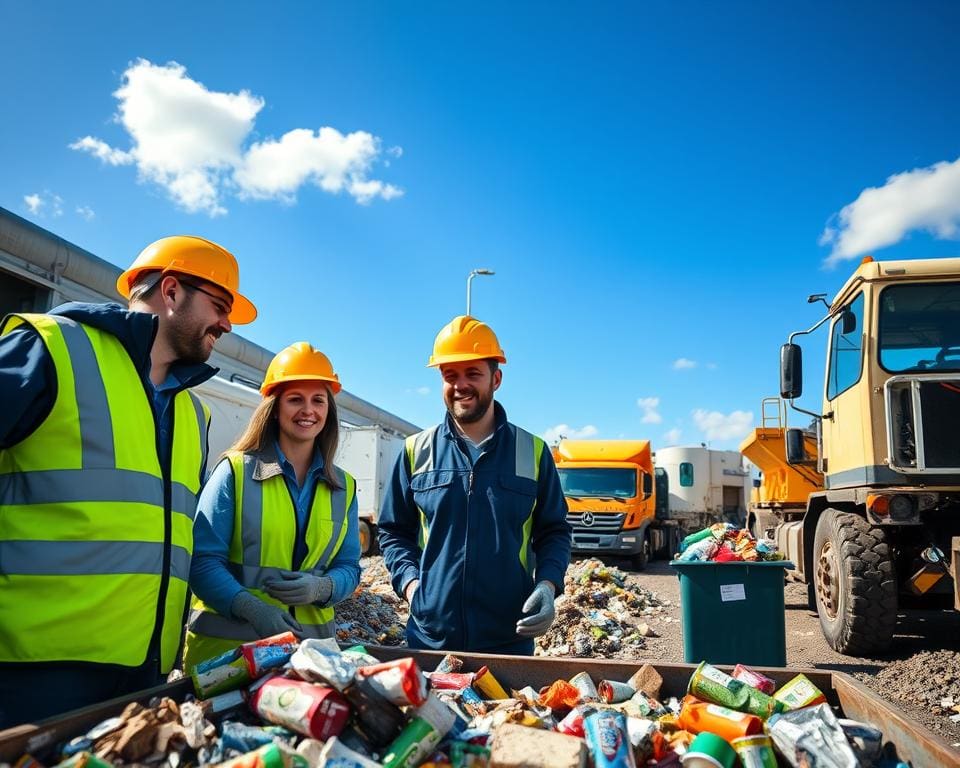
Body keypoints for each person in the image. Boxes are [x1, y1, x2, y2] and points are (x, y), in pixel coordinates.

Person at [0, 235, 256, 726]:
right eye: (220, 306)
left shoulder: (192, 413)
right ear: (173, 291)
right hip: (36, 671)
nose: (226, 324)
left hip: (145, 669)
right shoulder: (50, 347)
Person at [378, 315, 571, 655]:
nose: (460, 385)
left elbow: (554, 530)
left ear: (496, 379)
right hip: (429, 640)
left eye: (473, 374)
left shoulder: (533, 452)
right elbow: (393, 531)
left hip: (509, 640)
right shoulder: (414, 451)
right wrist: (412, 586)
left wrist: (548, 584)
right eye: (450, 375)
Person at [183, 342, 361, 670]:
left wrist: (323, 587)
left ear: (328, 411)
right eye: (295, 399)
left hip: (308, 660)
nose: (308, 410)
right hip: (228, 659)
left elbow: (350, 567)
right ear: (275, 408)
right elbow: (201, 562)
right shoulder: (234, 472)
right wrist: (252, 609)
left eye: (318, 400)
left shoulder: (344, 488)